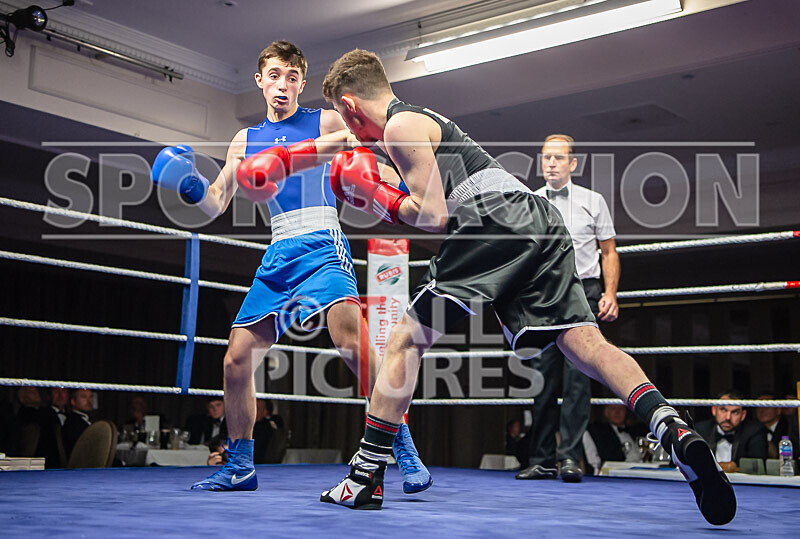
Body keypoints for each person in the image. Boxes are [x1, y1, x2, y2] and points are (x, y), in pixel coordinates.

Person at [250, 49, 737, 524]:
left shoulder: (400, 126)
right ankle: (667, 423)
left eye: (345, 117)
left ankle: (364, 476)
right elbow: (395, 180)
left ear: (351, 105)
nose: (352, 131)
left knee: (405, 340)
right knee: (582, 342)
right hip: (538, 222)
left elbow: (434, 216)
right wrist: (360, 180)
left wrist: (375, 196)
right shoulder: (419, 120)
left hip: (492, 221)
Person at [150, 41, 429, 493]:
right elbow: (215, 203)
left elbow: (358, 144)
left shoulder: (324, 119)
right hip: (279, 251)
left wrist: (291, 160)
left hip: (322, 240)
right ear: (259, 80)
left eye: (293, 77)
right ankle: (240, 465)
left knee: (352, 346)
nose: (284, 85)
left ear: (302, 83)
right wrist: (188, 187)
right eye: (275, 75)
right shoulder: (244, 140)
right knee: (235, 360)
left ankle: (402, 448)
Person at [517, 134, 620, 483]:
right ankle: (542, 458)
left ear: (572, 164)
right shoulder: (530, 201)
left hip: (584, 290)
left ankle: (570, 458)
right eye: (546, 158)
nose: (551, 164)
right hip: (543, 294)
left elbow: (608, 251)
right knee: (542, 379)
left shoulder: (594, 201)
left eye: (558, 158)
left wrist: (610, 293)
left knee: (579, 381)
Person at [695, 390, 768, 472]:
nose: (728, 417)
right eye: (723, 410)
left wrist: (735, 469)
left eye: (735, 412)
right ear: (714, 410)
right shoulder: (700, 430)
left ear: (743, 415)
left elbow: (757, 468)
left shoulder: (754, 432)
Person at [582, 404, 648, 475]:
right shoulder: (597, 434)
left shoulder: (635, 431)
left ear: (626, 411)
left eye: (621, 409)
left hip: (642, 471)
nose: (617, 412)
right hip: (618, 475)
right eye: (613, 408)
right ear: (606, 412)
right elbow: (595, 466)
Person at [755, 391, 799, 459]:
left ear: (778, 410)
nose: (761, 410)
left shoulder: (790, 429)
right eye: (758, 406)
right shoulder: (752, 430)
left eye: (766, 406)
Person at [37, 387, 69, 468]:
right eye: (56, 392)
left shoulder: (73, 417)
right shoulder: (43, 415)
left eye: (63, 392)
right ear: (48, 396)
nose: (60, 395)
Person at [62, 388, 93, 458]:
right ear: (73, 402)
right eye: (84, 397)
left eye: (91, 397)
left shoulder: (85, 419)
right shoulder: (73, 423)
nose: (89, 401)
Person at [253, 399, 284, 464]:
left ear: (265, 412)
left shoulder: (265, 427)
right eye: (252, 407)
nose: (253, 411)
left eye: (257, 408)